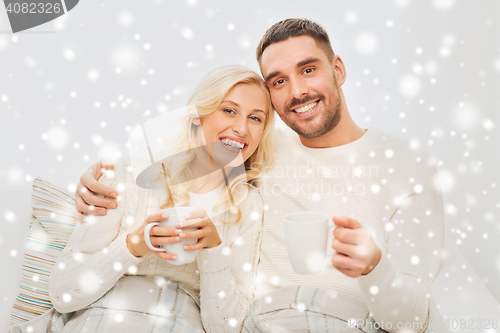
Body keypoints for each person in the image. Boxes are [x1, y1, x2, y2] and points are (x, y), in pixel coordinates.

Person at [75, 19, 444, 333]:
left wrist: (375, 270)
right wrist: (96, 181)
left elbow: (412, 321)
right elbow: (171, 159)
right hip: (261, 322)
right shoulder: (257, 145)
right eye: (278, 81)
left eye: (308, 69)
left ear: (339, 69)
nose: (297, 91)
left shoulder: (408, 166)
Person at [9, 65, 275, 333]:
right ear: (196, 117)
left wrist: (213, 250)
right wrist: (134, 245)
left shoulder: (248, 206)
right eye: (229, 110)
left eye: (255, 118)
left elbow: (228, 328)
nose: (241, 128)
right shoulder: (128, 174)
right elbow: (63, 294)